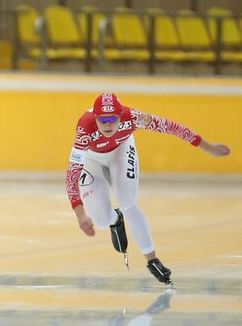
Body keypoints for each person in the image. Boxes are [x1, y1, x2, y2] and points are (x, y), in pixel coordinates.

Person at [66, 93, 230, 284]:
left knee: (127, 202)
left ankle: (152, 260)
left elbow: (170, 127)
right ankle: (115, 219)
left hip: (121, 149)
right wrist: (79, 213)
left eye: (113, 119)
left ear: (121, 116)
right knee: (101, 221)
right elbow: (72, 173)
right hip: (91, 159)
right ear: (95, 117)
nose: (109, 125)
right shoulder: (84, 128)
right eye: (103, 120)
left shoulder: (133, 117)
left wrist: (208, 147)